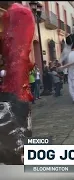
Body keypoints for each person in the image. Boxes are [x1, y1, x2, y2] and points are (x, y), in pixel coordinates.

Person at [0, 3, 34, 164]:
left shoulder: (17, 14)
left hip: (12, 93)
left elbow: (18, 57)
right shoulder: (19, 13)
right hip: (14, 91)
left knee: (15, 152)